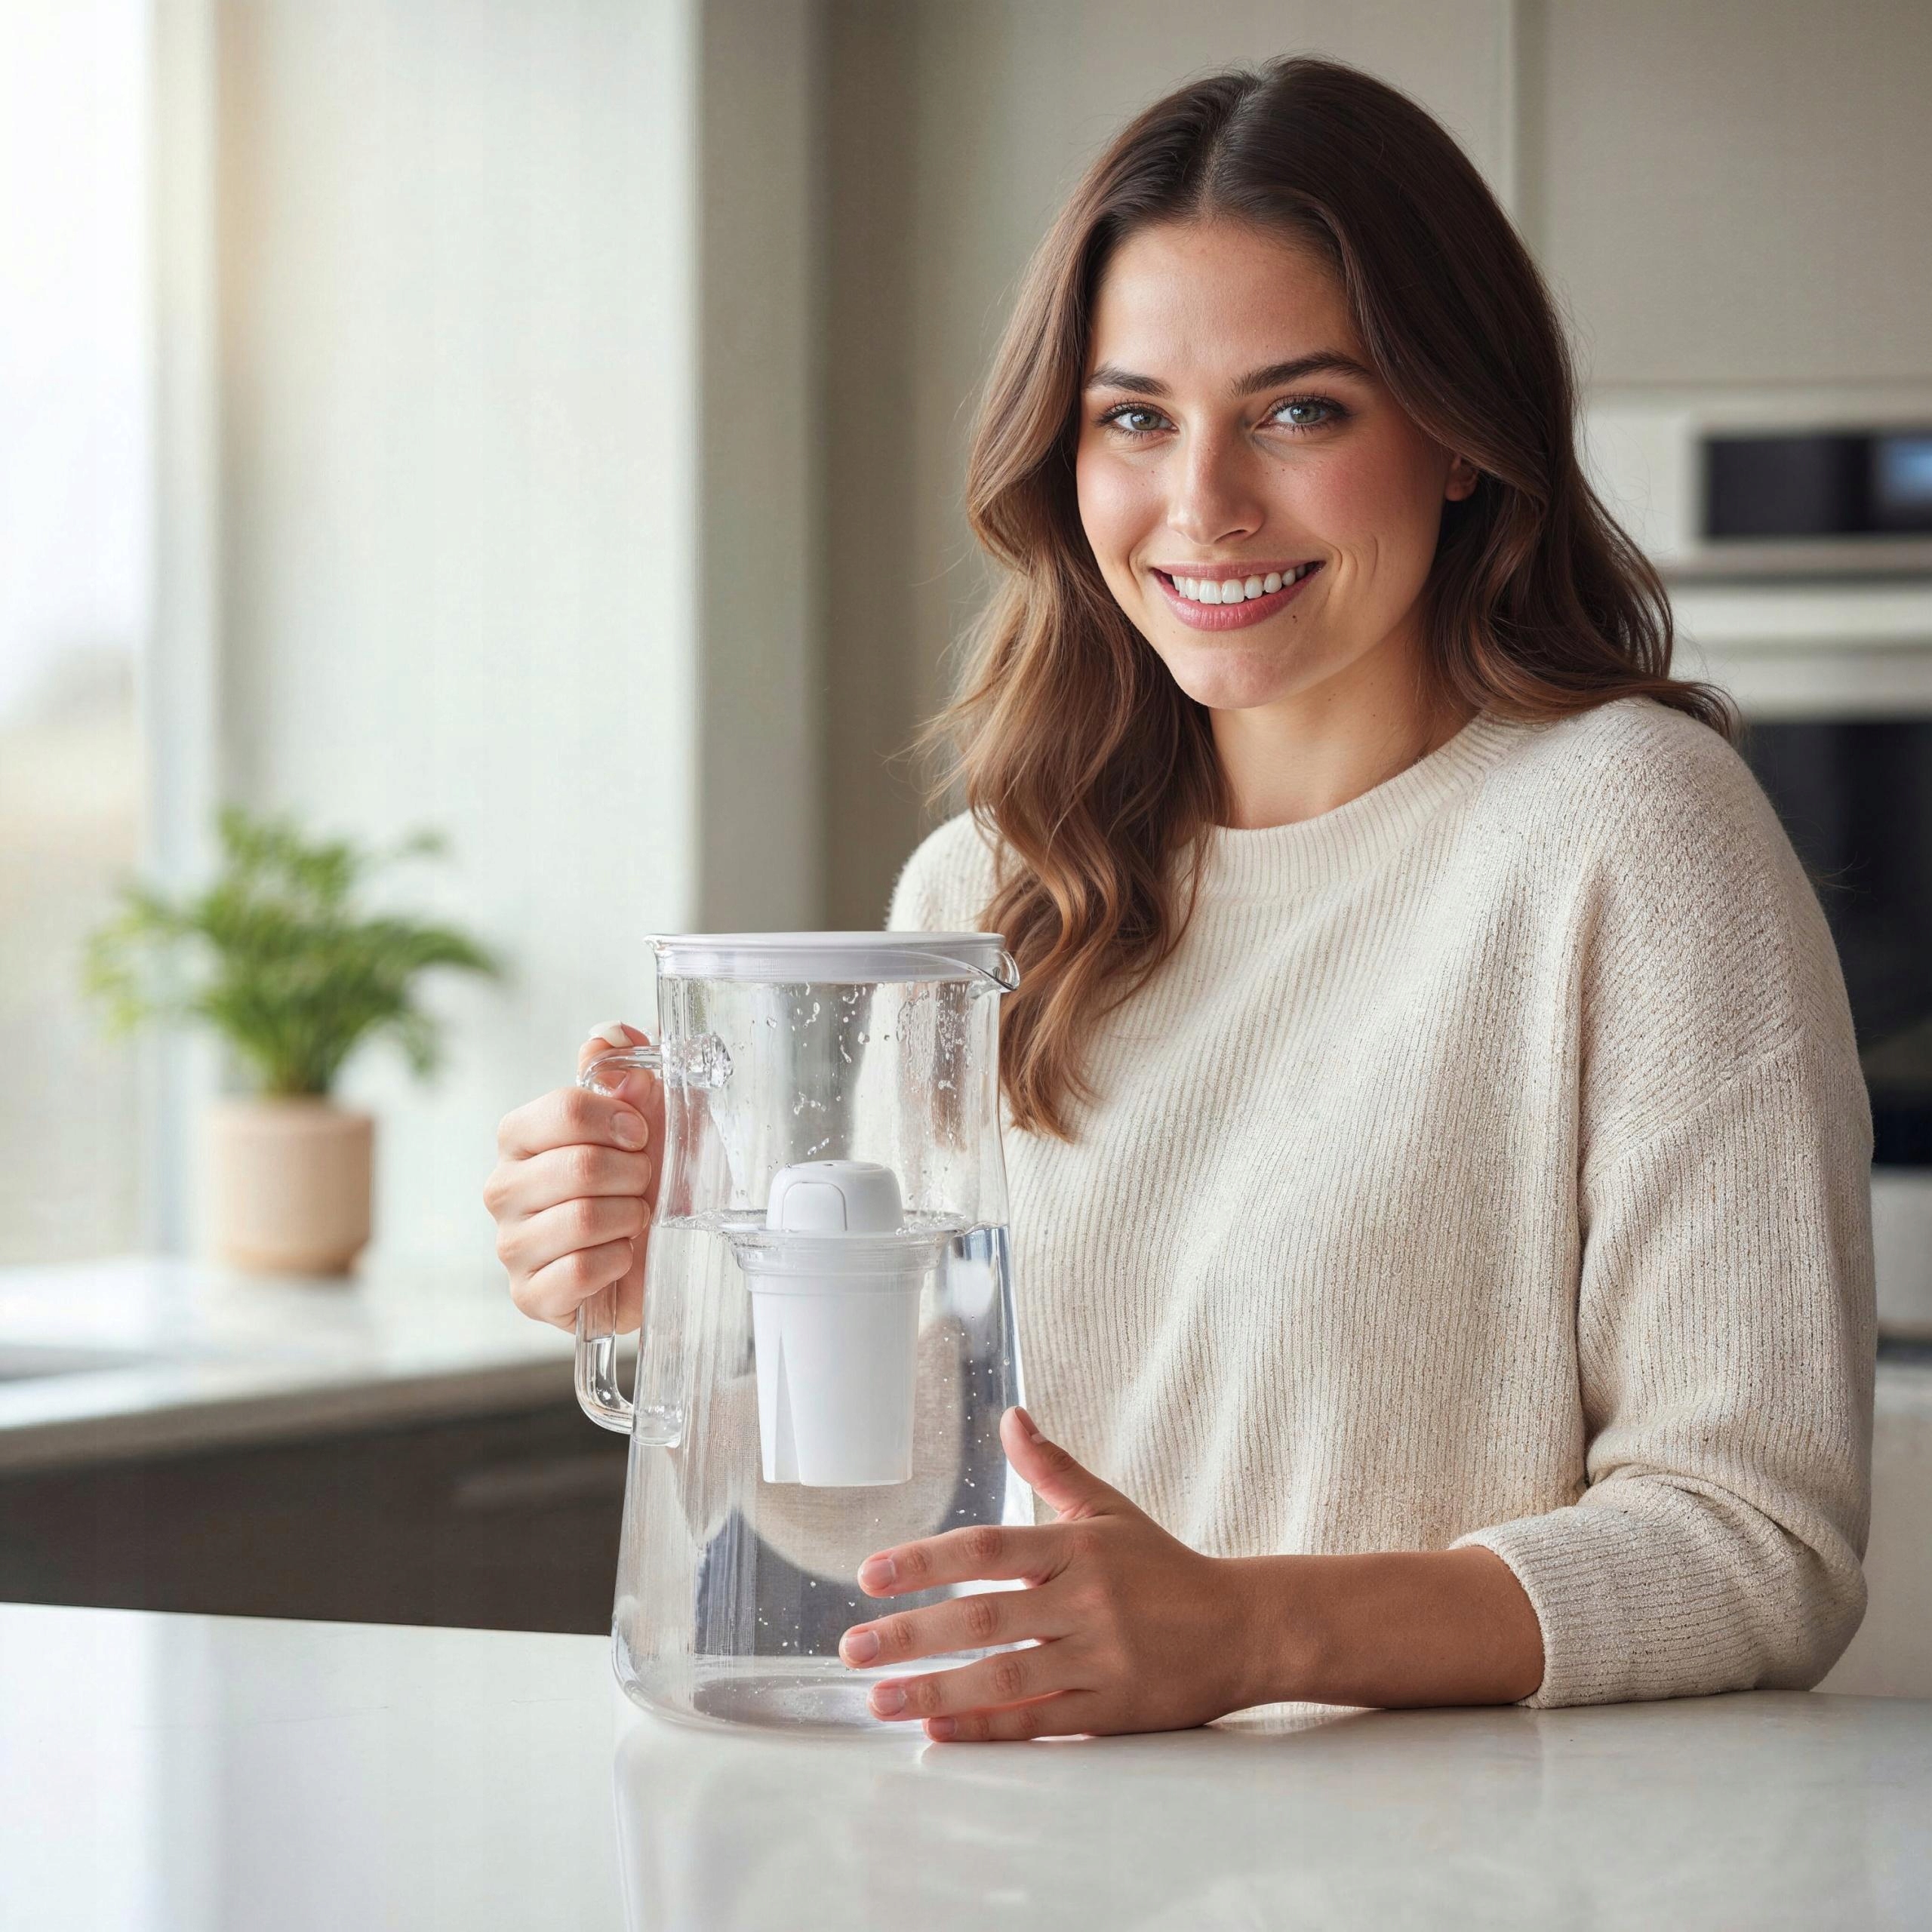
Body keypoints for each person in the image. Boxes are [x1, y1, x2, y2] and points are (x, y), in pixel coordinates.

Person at [483, 54, 1875, 1742]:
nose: (1203, 504)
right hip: (1032, 1851)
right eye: (1134, 417)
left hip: (1464, 1862)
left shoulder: (1628, 836)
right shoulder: (989, 885)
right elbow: (896, 1533)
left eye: (1300, 410)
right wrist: (694, 1301)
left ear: (1456, 435)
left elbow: (1755, 1545)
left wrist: (1249, 1631)